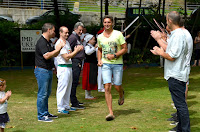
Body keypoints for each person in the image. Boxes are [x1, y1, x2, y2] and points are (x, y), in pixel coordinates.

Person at [150, 11, 191, 132]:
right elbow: (172, 51)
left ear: (170, 21)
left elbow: (172, 56)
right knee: (179, 105)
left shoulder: (178, 35)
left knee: (181, 105)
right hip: (176, 73)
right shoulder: (176, 34)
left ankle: (185, 130)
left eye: (167, 19)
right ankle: (180, 129)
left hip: (176, 74)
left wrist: (159, 51)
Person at [97, 15, 128, 121]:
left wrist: (115, 55)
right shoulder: (100, 36)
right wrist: (99, 60)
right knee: (107, 87)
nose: (107, 24)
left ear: (112, 23)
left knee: (117, 86)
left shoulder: (118, 34)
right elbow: (99, 49)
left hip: (117, 64)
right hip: (106, 64)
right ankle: (110, 112)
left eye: (109, 22)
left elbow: (125, 48)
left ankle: (121, 94)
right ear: (103, 23)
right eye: (105, 22)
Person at [34, 23, 64, 122]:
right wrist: (58, 48)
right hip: (42, 70)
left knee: (46, 93)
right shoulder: (42, 42)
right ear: (49, 30)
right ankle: (41, 116)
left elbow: (54, 54)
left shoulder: (48, 42)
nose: (54, 32)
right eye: (54, 30)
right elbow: (47, 56)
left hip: (47, 70)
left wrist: (59, 49)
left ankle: (45, 113)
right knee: (42, 93)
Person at [55, 26, 84, 114]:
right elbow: (66, 57)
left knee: (68, 87)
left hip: (68, 66)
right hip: (63, 67)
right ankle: (60, 107)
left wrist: (74, 51)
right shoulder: (59, 43)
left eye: (68, 32)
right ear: (60, 33)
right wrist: (76, 51)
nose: (67, 34)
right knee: (62, 87)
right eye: (65, 33)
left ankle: (66, 106)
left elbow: (69, 54)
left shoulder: (66, 42)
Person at [68, 22, 85, 109]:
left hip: (78, 61)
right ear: (75, 29)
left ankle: (74, 100)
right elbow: (68, 49)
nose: (81, 31)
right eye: (79, 30)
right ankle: (73, 102)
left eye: (82, 30)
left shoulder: (76, 37)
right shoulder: (73, 37)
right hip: (74, 61)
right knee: (74, 82)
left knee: (75, 82)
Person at [82, 34, 98, 100]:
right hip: (88, 64)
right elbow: (88, 52)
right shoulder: (87, 46)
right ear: (89, 40)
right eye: (93, 39)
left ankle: (89, 94)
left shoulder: (92, 46)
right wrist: (94, 48)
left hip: (93, 64)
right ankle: (87, 95)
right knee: (88, 79)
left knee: (91, 79)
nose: (94, 41)